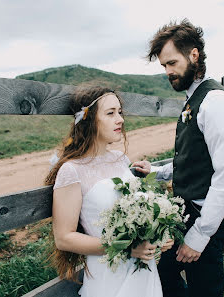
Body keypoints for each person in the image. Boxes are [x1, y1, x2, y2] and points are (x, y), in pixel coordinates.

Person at [132, 19, 224, 297]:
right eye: (164, 66)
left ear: (194, 54)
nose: (168, 72)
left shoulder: (216, 102)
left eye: (172, 63)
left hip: (207, 216)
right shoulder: (194, 98)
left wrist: (200, 235)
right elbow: (193, 159)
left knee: (205, 287)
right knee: (161, 272)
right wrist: (156, 172)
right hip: (187, 212)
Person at [45, 86, 173, 297]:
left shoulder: (120, 159)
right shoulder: (72, 170)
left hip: (142, 271)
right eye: (111, 113)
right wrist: (126, 247)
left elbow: (136, 211)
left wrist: (157, 236)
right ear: (89, 119)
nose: (120, 119)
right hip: (108, 275)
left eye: (120, 112)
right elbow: (64, 238)